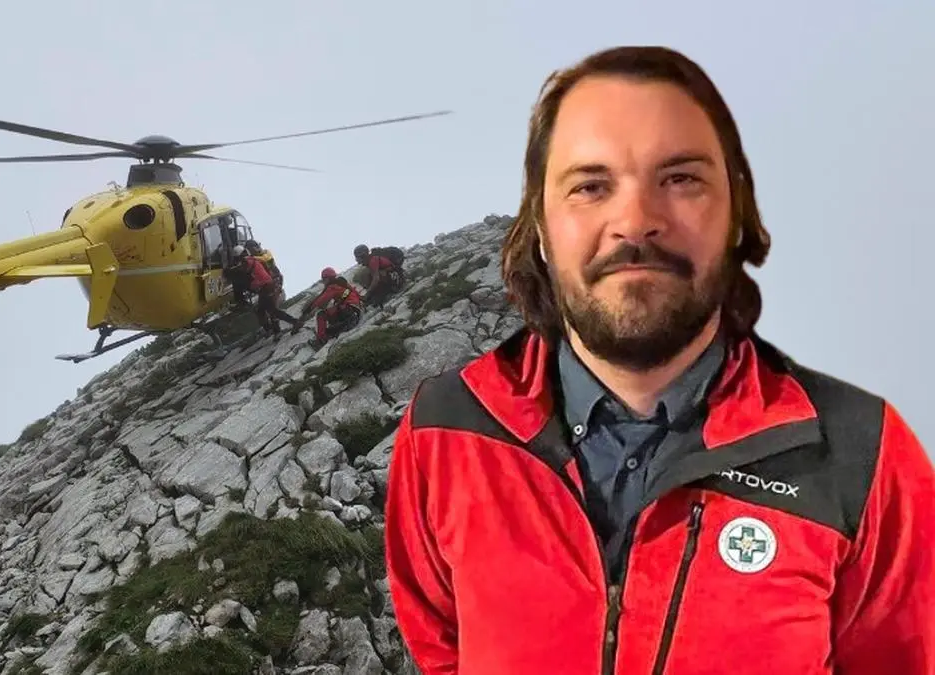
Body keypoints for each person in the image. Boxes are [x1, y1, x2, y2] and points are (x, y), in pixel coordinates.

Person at [384, 45, 934, 674]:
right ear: (539, 226)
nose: (636, 221)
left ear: (735, 214)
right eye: (590, 186)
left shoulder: (864, 453)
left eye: (680, 179)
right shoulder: (446, 428)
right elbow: (441, 649)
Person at [233, 246, 300, 338]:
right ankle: (271, 330)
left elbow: (246, 273)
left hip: (267, 287)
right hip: (265, 287)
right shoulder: (254, 260)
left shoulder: (248, 261)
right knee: (261, 311)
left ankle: (294, 322)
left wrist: (231, 273)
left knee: (272, 311)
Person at [291, 266, 363, 347]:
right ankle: (337, 327)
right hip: (356, 310)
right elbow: (355, 293)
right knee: (333, 312)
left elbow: (319, 301)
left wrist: (306, 312)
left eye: (323, 280)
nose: (323, 282)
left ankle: (320, 340)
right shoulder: (342, 283)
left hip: (348, 310)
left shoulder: (332, 287)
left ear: (327, 278)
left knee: (321, 314)